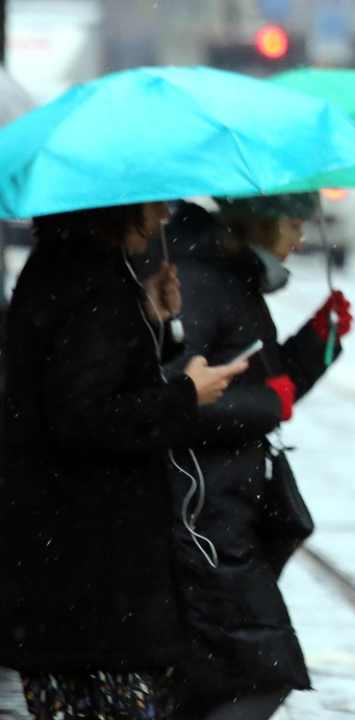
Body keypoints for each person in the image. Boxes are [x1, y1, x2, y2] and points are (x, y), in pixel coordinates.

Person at [0, 203, 246, 720]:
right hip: (94, 578)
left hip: (65, 569)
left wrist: (154, 320)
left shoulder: (63, 270)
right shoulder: (92, 283)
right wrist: (185, 394)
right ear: (118, 208)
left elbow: (88, 379)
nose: (162, 219)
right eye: (155, 205)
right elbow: (84, 415)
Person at [162, 194, 352, 719]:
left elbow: (262, 381)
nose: (300, 238)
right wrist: (270, 401)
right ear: (261, 221)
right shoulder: (203, 281)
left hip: (224, 509)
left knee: (235, 674)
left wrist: (318, 344)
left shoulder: (231, 276)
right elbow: (174, 398)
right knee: (260, 673)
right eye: (293, 222)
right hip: (201, 516)